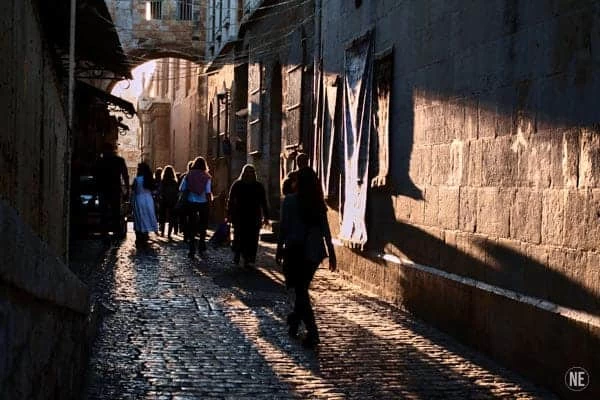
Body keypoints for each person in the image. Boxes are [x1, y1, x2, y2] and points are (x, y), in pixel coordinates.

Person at [276, 167, 336, 347]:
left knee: (300, 290)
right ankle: (294, 321)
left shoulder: (290, 201)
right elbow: (326, 231)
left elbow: (284, 227)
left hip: (296, 250)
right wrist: (331, 253)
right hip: (314, 252)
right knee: (302, 288)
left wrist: (279, 248)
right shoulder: (318, 203)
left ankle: (312, 331)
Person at [227, 164, 269, 268]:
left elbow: (263, 202)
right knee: (243, 236)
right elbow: (231, 200)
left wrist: (266, 216)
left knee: (251, 237)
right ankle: (242, 255)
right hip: (243, 215)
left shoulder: (254, 185)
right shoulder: (239, 184)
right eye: (248, 172)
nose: (249, 174)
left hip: (250, 216)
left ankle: (247, 257)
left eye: (251, 172)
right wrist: (230, 214)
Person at [94, 142, 129, 240]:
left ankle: (104, 233)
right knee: (115, 212)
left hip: (104, 189)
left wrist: (95, 191)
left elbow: (96, 177)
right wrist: (127, 189)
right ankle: (115, 232)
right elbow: (125, 175)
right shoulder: (119, 160)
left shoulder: (100, 161)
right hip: (114, 190)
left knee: (104, 213)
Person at [179, 156, 212, 259]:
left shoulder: (188, 175)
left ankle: (192, 248)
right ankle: (202, 244)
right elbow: (208, 191)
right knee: (203, 225)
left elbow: (182, 188)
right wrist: (209, 203)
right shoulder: (206, 177)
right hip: (203, 203)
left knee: (192, 226)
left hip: (191, 202)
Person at [131, 162, 158, 247]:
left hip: (139, 199)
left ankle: (139, 234)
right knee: (147, 215)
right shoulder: (149, 179)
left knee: (139, 216)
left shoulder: (137, 179)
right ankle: (146, 232)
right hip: (148, 199)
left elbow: (134, 190)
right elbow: (154, 191)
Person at [158, 165, 179, 239]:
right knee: (171, 218)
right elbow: (177, 192)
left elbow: (160, 191)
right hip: (172, 201)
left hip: (164, 200)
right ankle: (169, 234)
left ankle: (162, 233)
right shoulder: (174, 182)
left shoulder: (163, 181)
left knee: (163, 217)